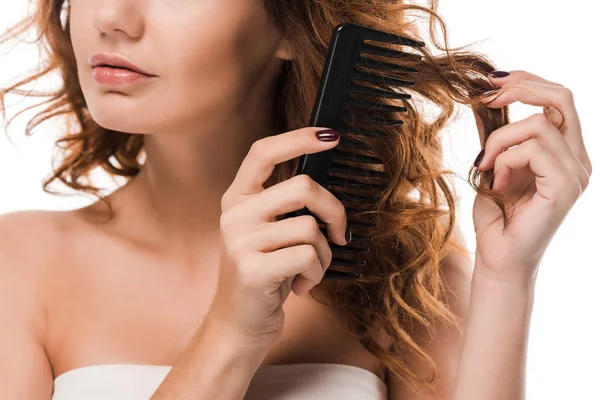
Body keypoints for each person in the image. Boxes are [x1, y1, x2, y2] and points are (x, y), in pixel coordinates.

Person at [0, 0, 592, 399]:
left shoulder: (409, 277)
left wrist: (507, 278)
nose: (111, 17)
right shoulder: (20, 266)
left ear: (289, 24)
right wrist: (230, 333)